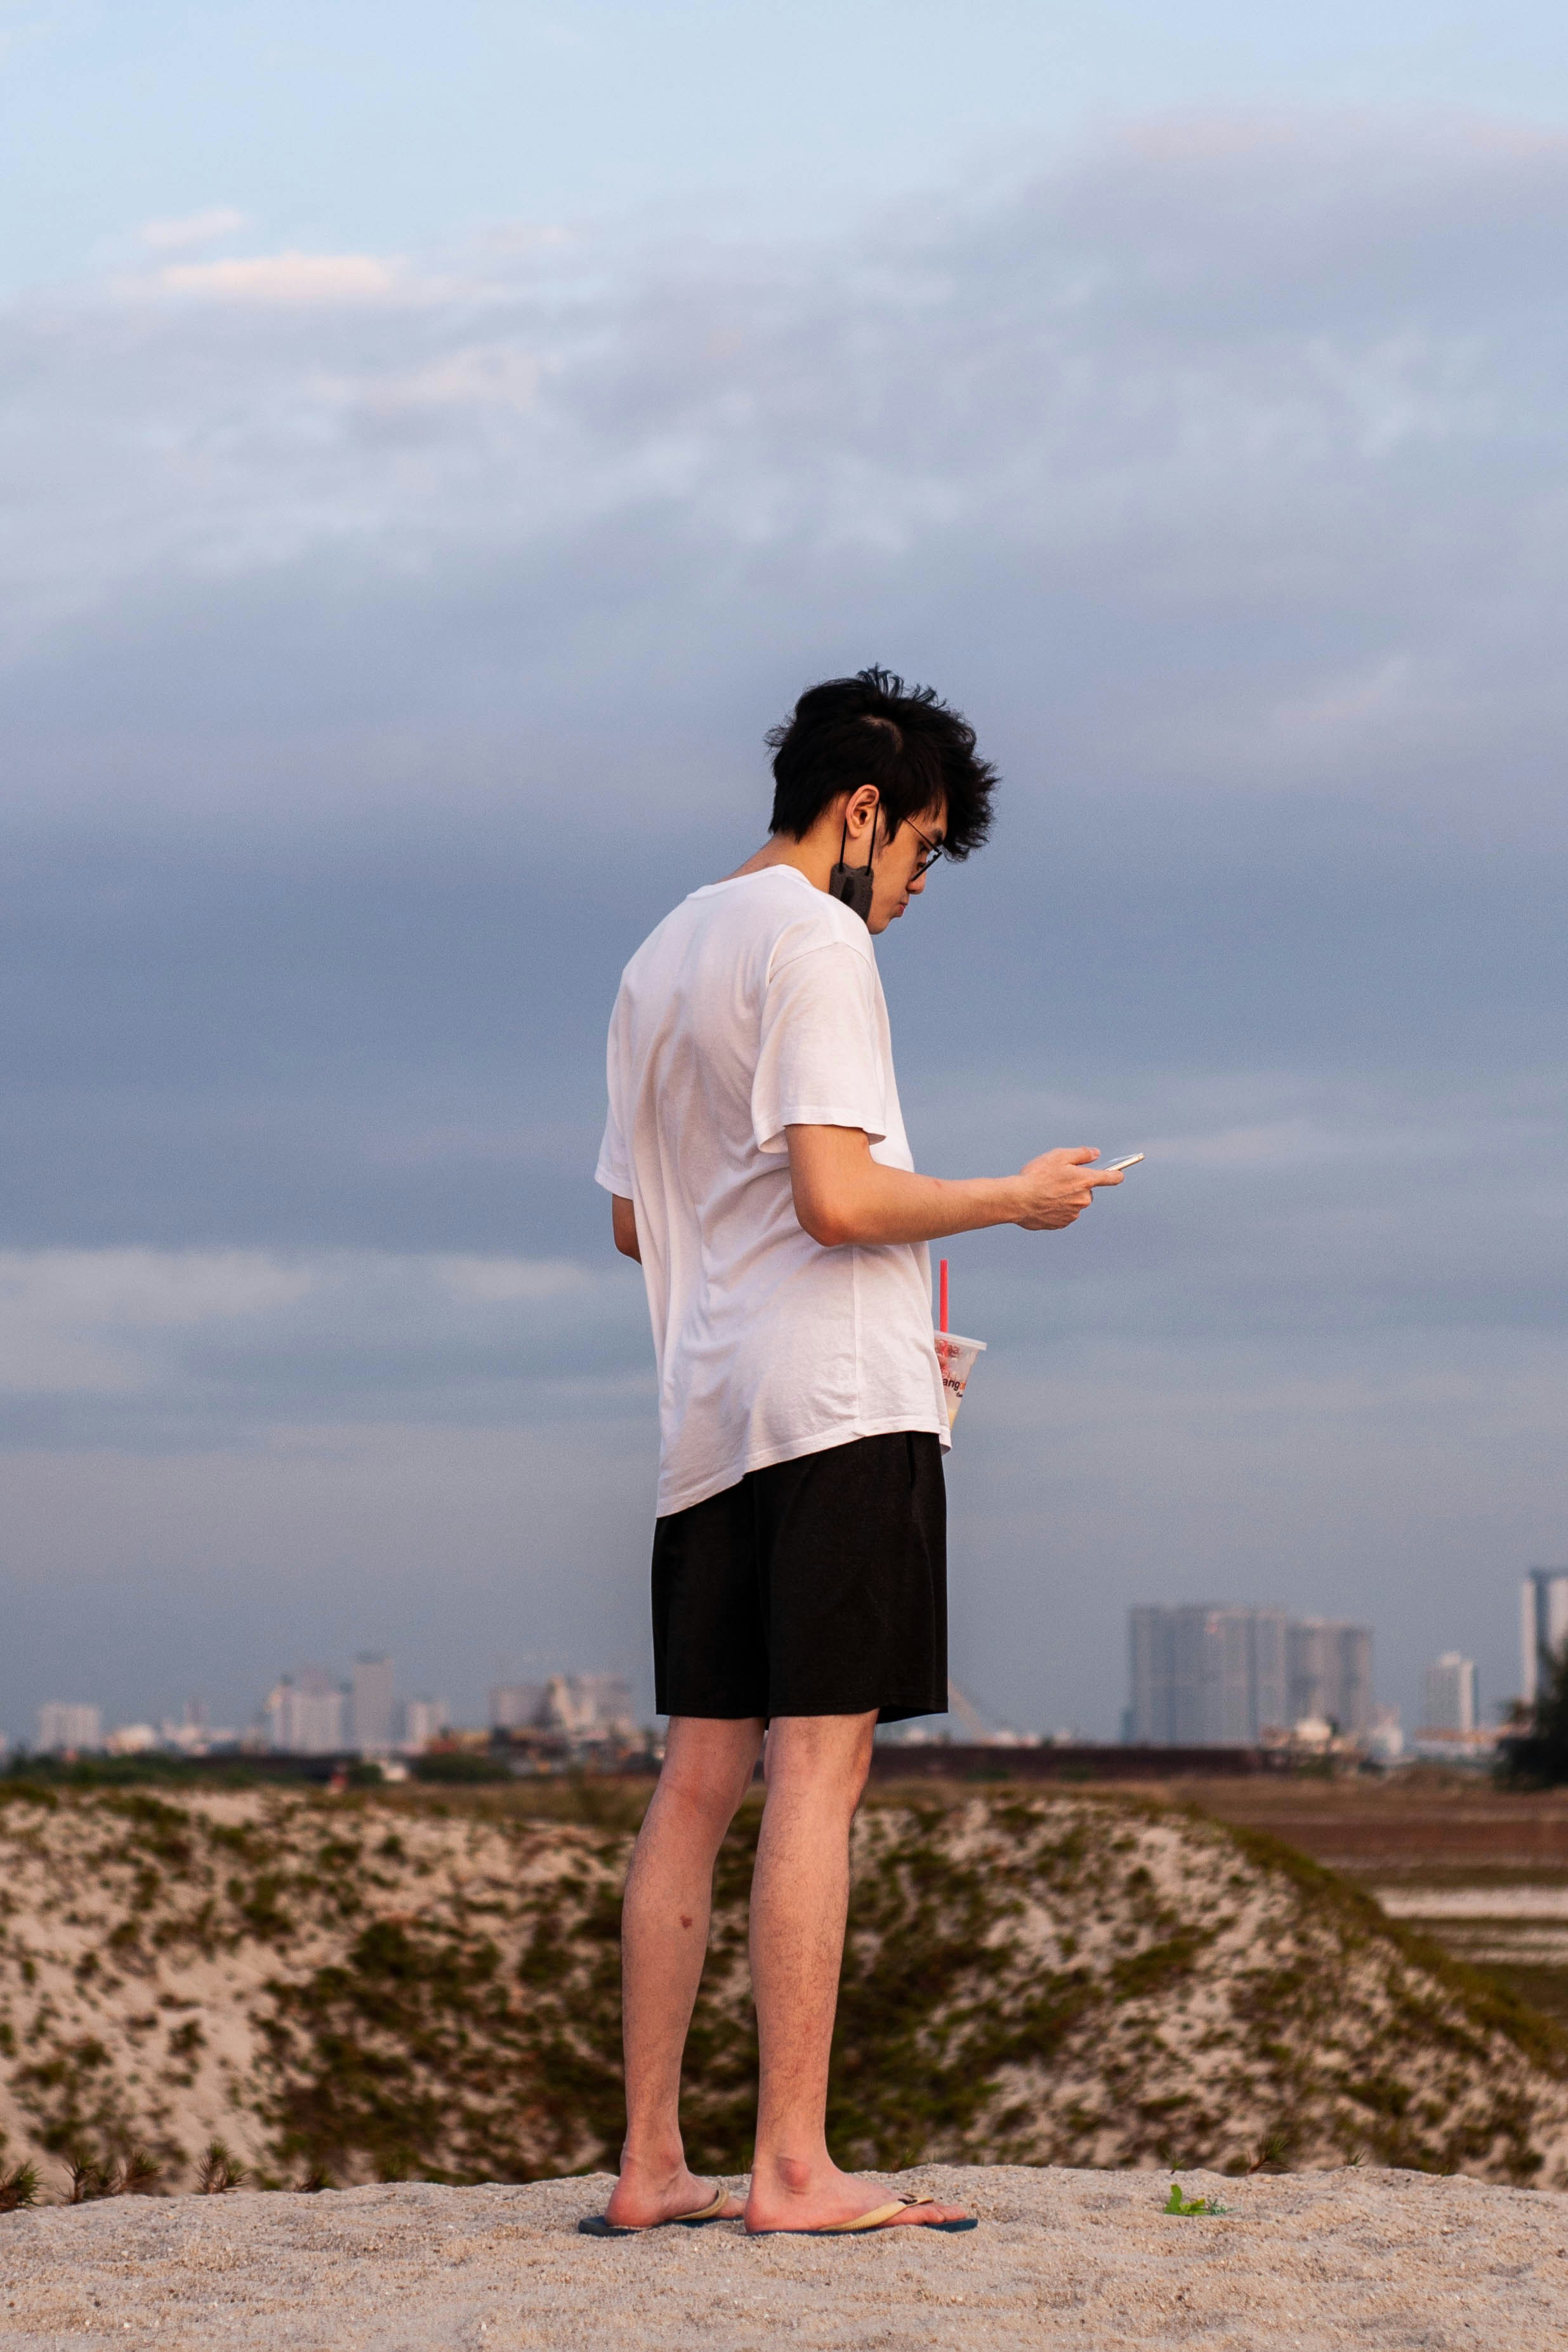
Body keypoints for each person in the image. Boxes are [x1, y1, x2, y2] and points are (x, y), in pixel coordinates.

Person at [588, 666, 1124, 2239]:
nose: (909, 894)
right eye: (921, 854)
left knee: (697, 1779)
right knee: (819, 1772)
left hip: (708, 1413)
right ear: (865, 810)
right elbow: (836, 1195)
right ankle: (796, 2167)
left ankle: (647, 2162)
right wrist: (1010, 1200)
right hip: (834, 1412)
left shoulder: (658, 953)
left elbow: (642, 1218)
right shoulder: (815, 941)